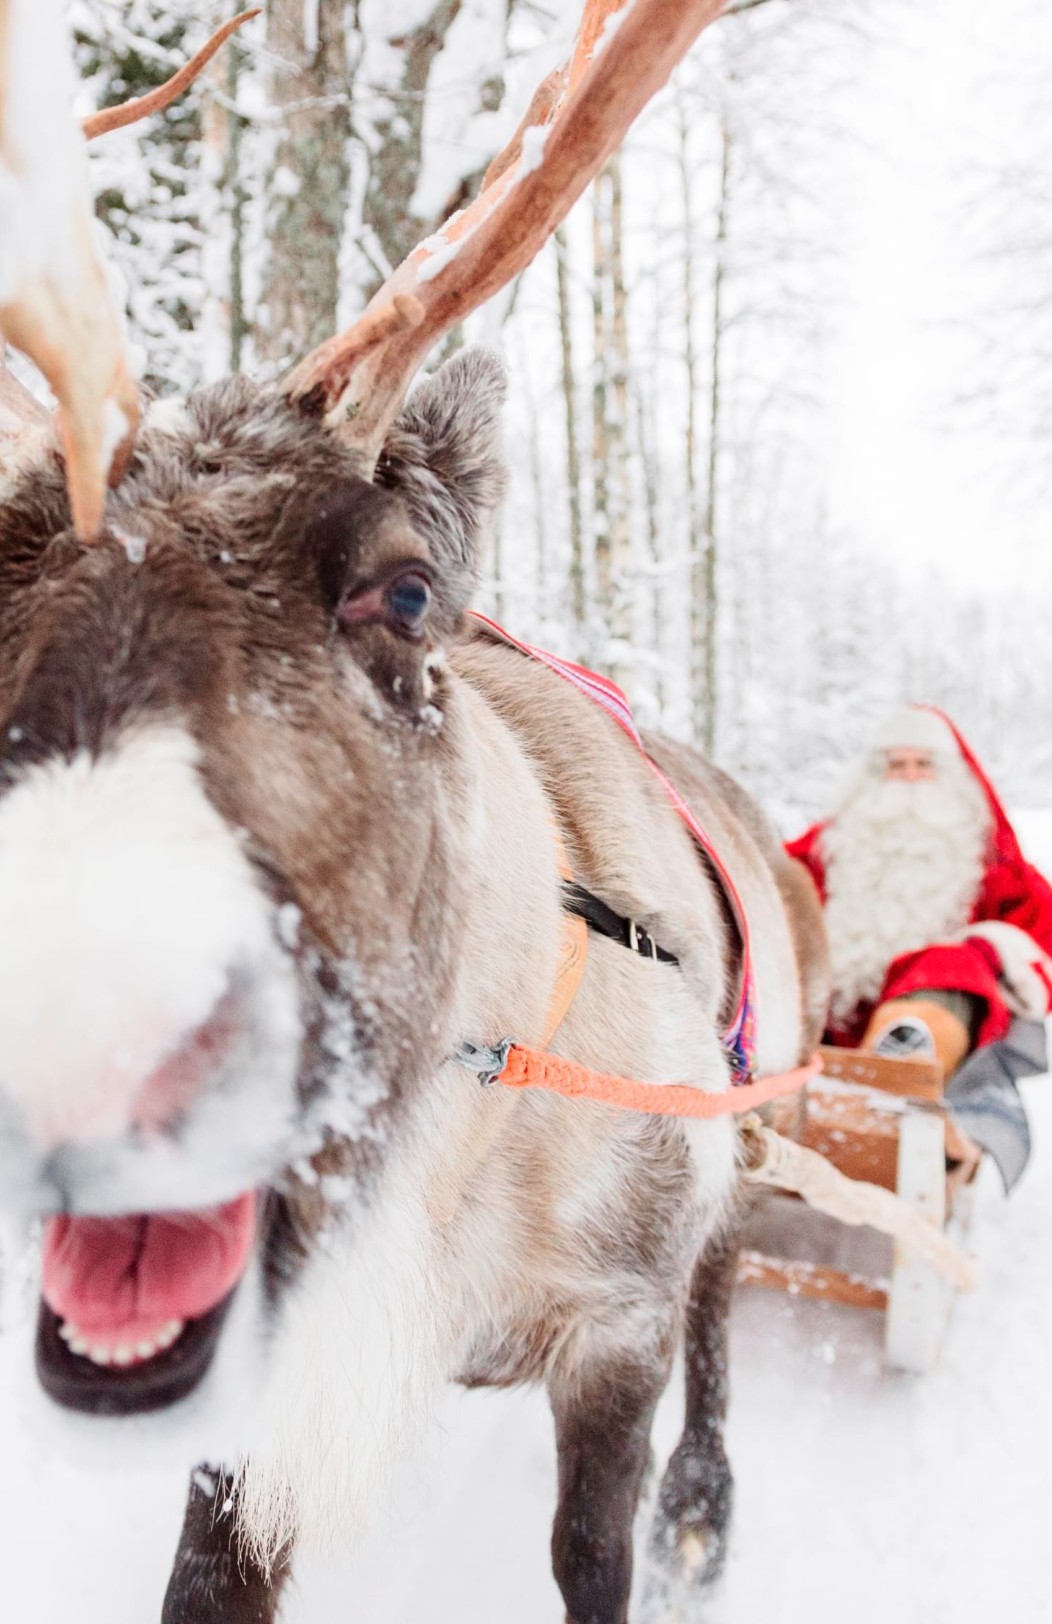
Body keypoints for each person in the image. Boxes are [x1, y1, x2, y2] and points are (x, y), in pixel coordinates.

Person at [787, 706, 1052, 1074]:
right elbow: (763, 884)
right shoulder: (825, 849)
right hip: (823, 1032)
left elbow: (1041, 934)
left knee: (952, 962)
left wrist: (989, 950)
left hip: (949, 1045)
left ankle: (900, 1066)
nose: (909, 777)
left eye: (924, 764)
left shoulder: (991, 861)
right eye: (896, 765)